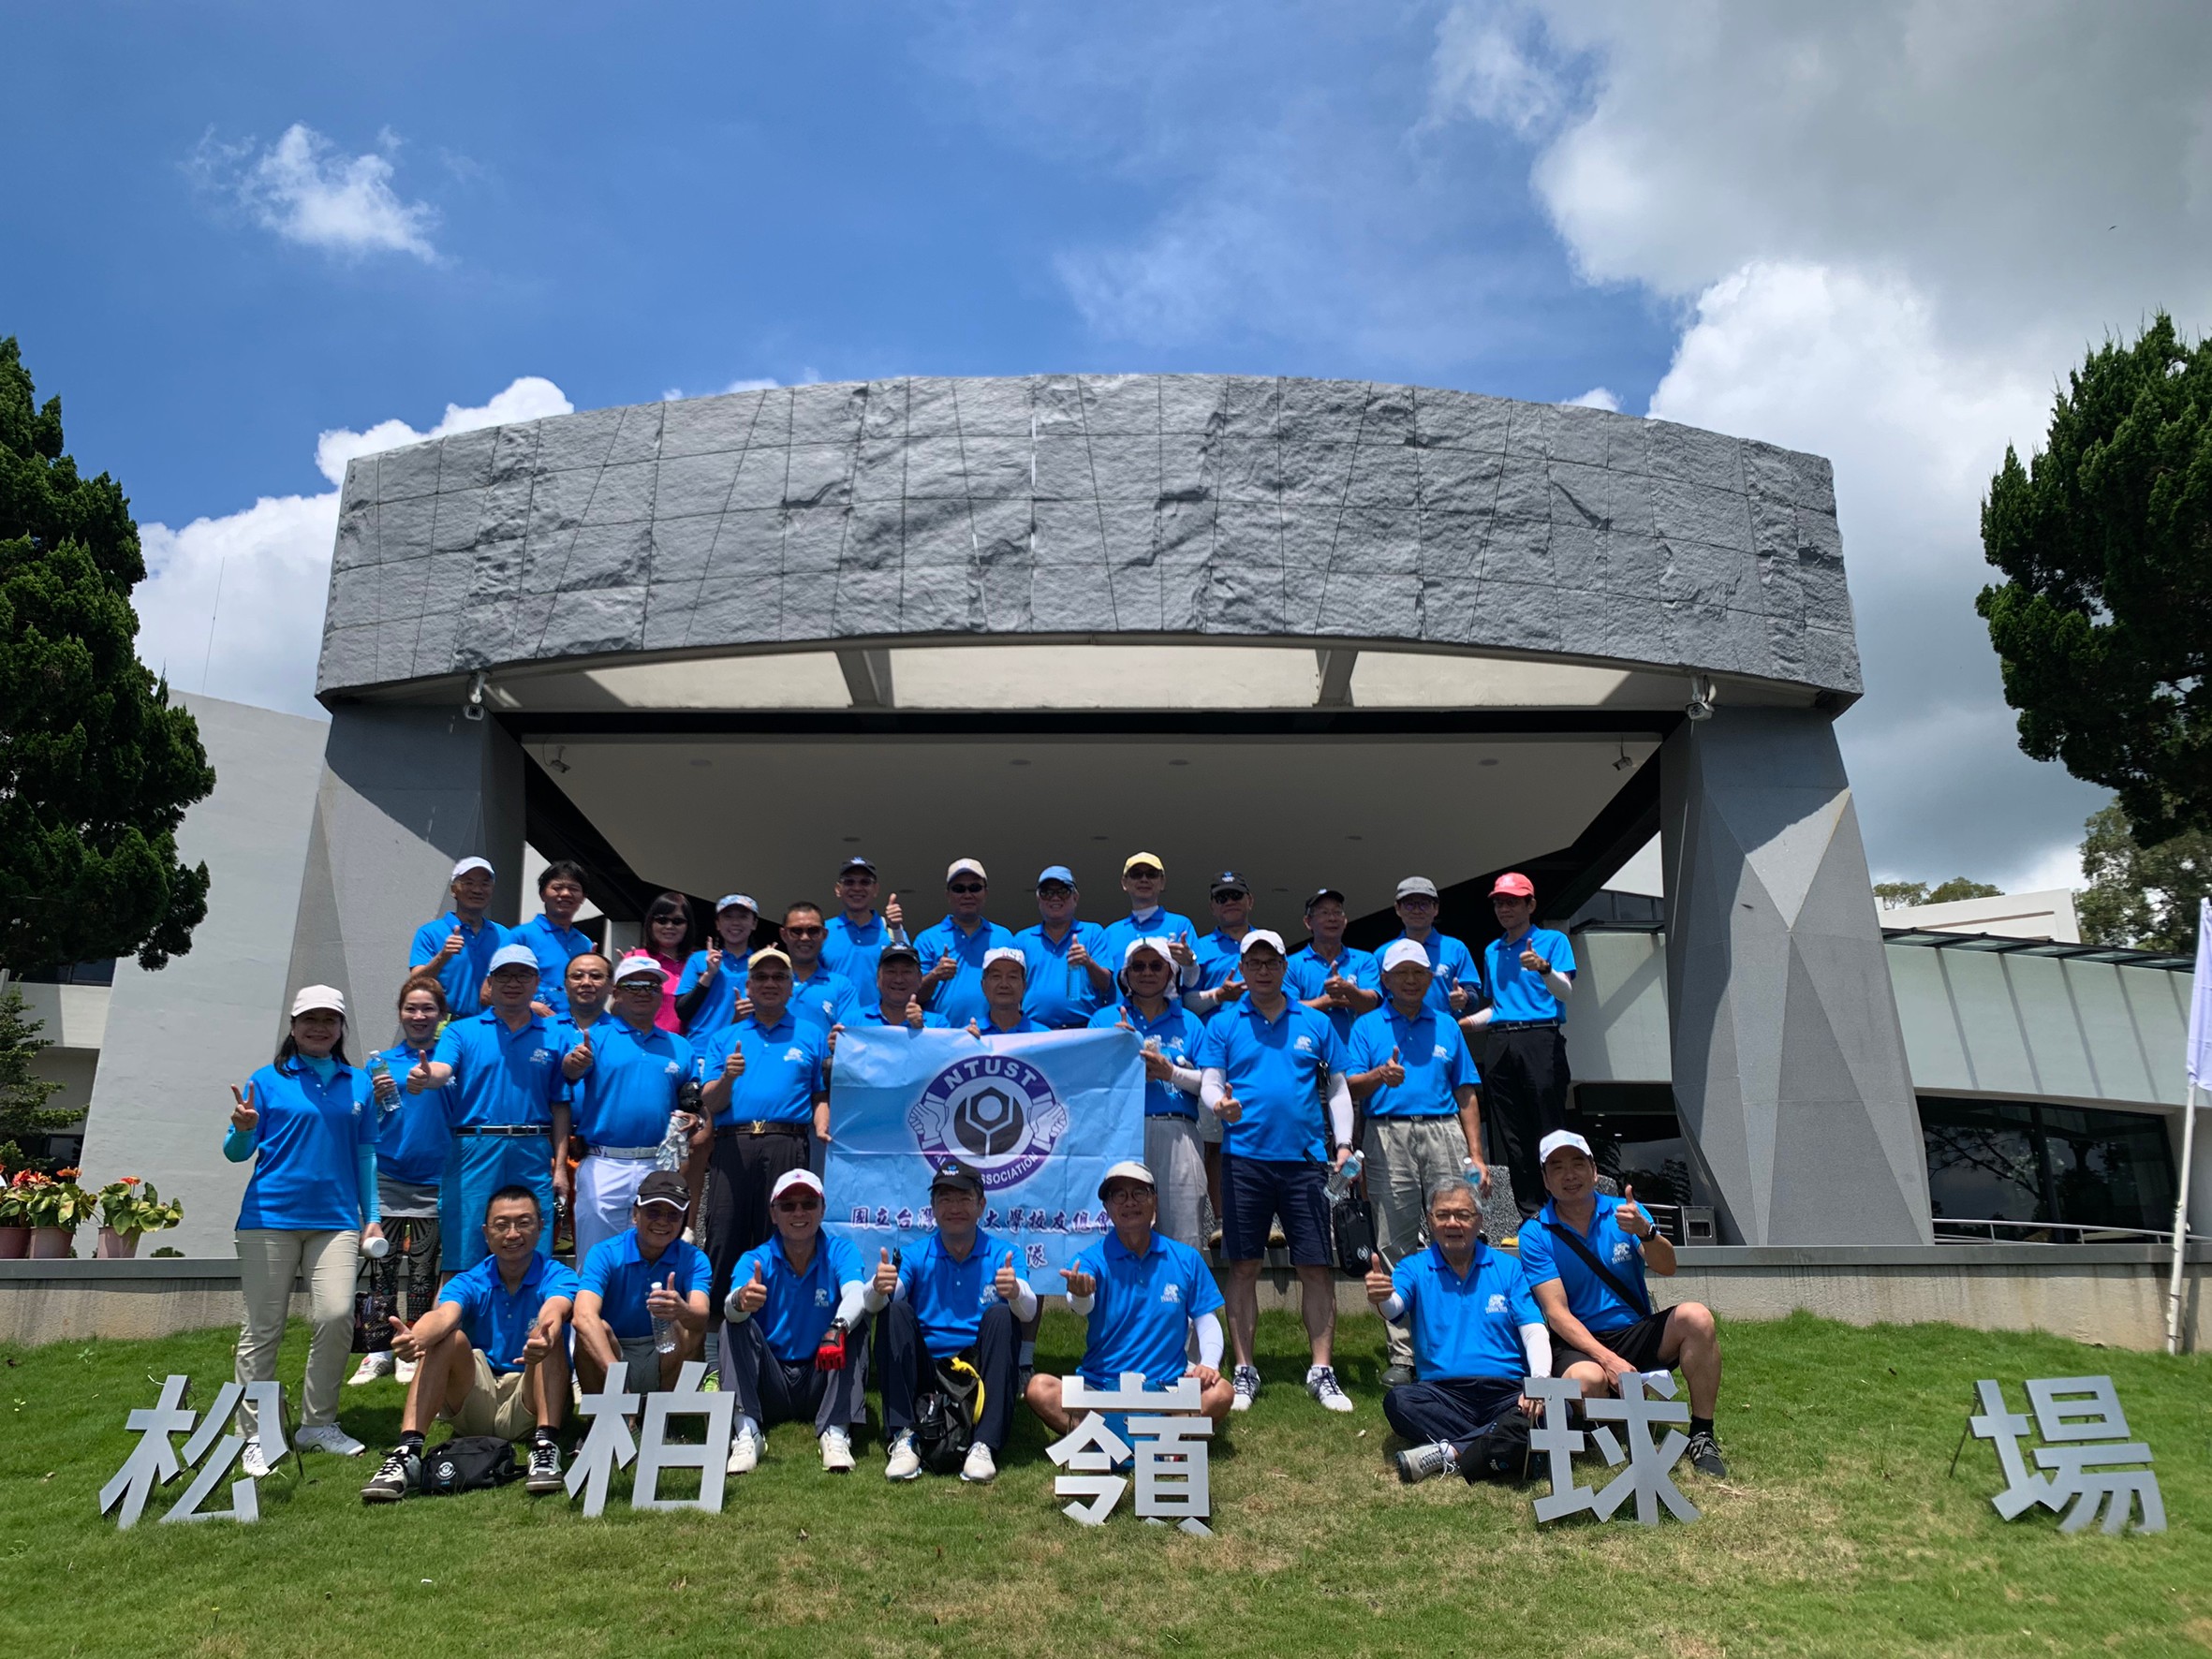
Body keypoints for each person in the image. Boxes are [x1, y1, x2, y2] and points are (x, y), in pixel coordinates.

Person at [1193, 931, 1357, 1416]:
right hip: (1244, 1160)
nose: (1263, 971)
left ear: (1285, 967)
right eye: (1254, 963)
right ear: (1241, 969)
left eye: (1271, 962)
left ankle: (1322, 1370)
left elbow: (1338, 1088)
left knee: (1315, 1266)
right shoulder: (1224, 1022)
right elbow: (1210, 1082)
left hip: (1306, 1162)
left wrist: (1343, 1144)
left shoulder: (1315, 1021)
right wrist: (1219, 1105)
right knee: (1244, 1266)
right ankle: (1245, 1368)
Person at [226, 984, 382, 1474]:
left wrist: (372, 1215)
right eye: (309, 1019)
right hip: (268, 1219)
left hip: (336, 1221)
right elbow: (235, 1153)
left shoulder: (359, 1083)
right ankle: (253, 1435)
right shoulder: (265, 1080)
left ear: (340, 1029)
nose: (319, 1027)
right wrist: (244, 1129)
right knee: (263, 1328)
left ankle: (317, 1424)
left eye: (329, 1020)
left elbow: (366, 1155)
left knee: (336, 1316)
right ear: (293, 1027)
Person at [1519, 1131, 1728, 1476]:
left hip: (1633, 1330)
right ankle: (1612, 1424)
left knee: (1697, 1317)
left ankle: (1702, 1434)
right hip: (1580, 1341)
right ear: (1545, 1179)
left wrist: (1646, 1232)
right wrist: (1608, 1360)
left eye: (1577, 1164)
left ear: (1594, 1171)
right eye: (1557, 1167)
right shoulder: (1535, 1233)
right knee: (1586, 1380)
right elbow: (1557, 1314)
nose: (1569, 1175)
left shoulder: (1626, 1213)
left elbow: (1667, 1267)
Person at [359, 1186, 577, 1502]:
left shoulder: (557, 1274)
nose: (512, 1234)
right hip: (478, 1397)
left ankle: (545, 1446)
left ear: (541, 1227)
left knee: (548, 1338)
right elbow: (444, 1315)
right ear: (486, 1232)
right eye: (502, 1225)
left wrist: (546, 1330)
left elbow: (555, 1308)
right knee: (448, 1337)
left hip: (530, 1395)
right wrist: (415, 1338)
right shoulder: (470, 1279)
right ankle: (407, 1453)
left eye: (523, 1223)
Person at [1347, 941, 1488, 1387]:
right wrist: (1379, 1076)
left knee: (1458, 1229)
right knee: (1394, 1242)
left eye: (1418, 972)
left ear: (1430, 979)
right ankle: (1404, 1354)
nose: (1410, 980)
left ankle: (1460, 1342)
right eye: (1401, 973)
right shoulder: (1367, 1026)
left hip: (1444, 1129)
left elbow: (1466, 1092)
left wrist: (1477, 1155)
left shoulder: (1447, 1025)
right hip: (1387, 1134)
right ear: (1385, 979)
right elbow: (1350, 1086)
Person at [1364, 1176, 1553, 1485]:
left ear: (1479, 1220)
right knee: (1399, 1402)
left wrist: (1539, 1383)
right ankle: (1503, 1441)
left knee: (1558, 1409)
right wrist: (1381, 1297)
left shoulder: (1509, 1268)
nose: (1453, 1223)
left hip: (1506, 1391)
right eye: (1443, 1215)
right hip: (1444, 1393)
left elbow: (1533, 1330)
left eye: (1463, 1215)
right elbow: (1394, 1307)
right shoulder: (1413, 1267)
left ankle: (1449, 1452)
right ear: (1430, 1221)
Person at [1025, 1161, 1233, 1434]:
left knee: (1222, 1392)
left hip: (1168, 1388)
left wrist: (1208, 1364)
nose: (1130, 1202)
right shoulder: (1091, 1259)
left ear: (1155, 1200)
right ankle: (1157, 1437)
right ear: (1107, 1208)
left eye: (1139, 1193)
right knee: (1039, 1389)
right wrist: (1080, 1293)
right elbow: (1082, 1304)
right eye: (1119, 1195)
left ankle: (1116, 1438)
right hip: (1102, 1388)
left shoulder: (1186, 1258)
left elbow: (1206, 1319)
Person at [870, 1159, 1035, 1484]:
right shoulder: (916, 1253)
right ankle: (903, 1437)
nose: (954, 1208)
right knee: (894, 1310)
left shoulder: (1004, 1254)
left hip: (976, 1371)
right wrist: (880, 1287)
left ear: (981, 1205)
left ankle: (984, 1444)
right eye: (945, 1199)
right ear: (932, 1208)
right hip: (928, 1368)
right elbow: (888, 1294)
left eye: (964, 1198)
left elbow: (1028, 1310)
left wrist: (1015, 1292)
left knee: (1004, 1314)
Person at [408, 944, 568, 1273]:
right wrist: (427, 1075)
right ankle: (458, 1309)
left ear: (536, 982)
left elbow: (560, 1103)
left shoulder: (556, 1033)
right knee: (464, 1251)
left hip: (532, 1147)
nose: (513, 982)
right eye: (504, 975)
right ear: (490, 983)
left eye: (523, 975)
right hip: (474, 1146)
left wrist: (561, 1167)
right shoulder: (462, 1030)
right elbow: (442, 1069)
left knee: (534, 1253)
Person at [693, 947, 829, 1332]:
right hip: (733, 1145)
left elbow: (820, 1095)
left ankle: (778, 1332)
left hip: (788, 1144)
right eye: (762, 977)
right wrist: (729, 1077)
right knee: (723, 1235)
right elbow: (711, 1102)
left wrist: (822, 1128)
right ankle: (716, 1340)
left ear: (791, 986)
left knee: (786, 1235)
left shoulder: (811, 1034)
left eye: (779, 977)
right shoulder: (725, 1038)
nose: (770, 984)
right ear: (748, 985)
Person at [722, 1169, 872, 1474]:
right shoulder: (755, 1258)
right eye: (788, 1205)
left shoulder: (841, 1251)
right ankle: (746, 1433)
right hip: (771, 1380)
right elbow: (730, 1307)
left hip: (821, 1373)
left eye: (809, 1204)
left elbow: (856, 1294)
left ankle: (836, 1432)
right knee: (733, 1324)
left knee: (854, 1324)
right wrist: (741, 1301)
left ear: (823, 1209)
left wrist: (838, 1326)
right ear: (773, 1214)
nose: (799, 1212)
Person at [554, 952, 696, 1261]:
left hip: (658, 1165)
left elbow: (693, 1102)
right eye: (633, 986)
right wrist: (574, 1064)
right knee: (595, 1259)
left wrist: (693, 1117)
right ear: (616, 993)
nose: (643, 993)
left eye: (652, 987)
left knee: (654, 1258)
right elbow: (569, 1075)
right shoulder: (593, 1039)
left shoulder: (680, 1046)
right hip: (604, 1162)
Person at [350, 979, 455, 1387]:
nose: (419, 1016)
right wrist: (376, 1099)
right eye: (411, 1008)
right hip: (388, 1178)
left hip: (436, 1179)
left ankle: (412, 1344)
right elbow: (362, 1122)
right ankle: (378, 1349)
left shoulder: (451, 1062)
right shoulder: (381, 1064)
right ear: (400, 1013)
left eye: (428, 1008)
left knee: (424, 1271)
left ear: (441, 1015)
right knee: (383, 1267)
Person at [1461, 873, 1577, 1220]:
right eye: (1499, 902)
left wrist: (1544, 968)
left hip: (1540, 1038)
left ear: (1531, 904)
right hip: (1500, 1041)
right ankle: (1531, 1216)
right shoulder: (1492, 950)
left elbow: (1565, 991)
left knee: (1550, 1128)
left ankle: (1562, 1213)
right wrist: (1464, 1024)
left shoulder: (1553, 941)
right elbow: (1498, 1009)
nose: (1504, 909)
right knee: (1512, 1134)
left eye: (1512, 902)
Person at [1087, 939, 1207, 1248]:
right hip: (1121, 1132)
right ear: (1126, 975)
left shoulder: (1190, 1023)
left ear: (1171, 972)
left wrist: (1171, 1073)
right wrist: (1116, 1051)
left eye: (1156, 966)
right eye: (1138, 966)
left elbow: (1209, 1086)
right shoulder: (1104, 1020)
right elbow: (1087, 1081)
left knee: (1183, 1234)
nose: (1147, 973)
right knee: (1122, 1231)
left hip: (1177, 1130)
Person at [571, 1171, 712, 1394]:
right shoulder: (604, 1253)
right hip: (615, 1351)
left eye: (673, 1215)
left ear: (683, 1220)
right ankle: (607, 1410)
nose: (663, 1221)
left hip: (664, 1352)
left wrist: (681, 1310)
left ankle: (667, 1409)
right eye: (653, 1211)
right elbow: (582, 1316)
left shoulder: (695, 1259)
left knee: (689, 1328)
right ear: (635, 1214)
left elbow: (701, 1316)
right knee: (592, 1330)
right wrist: (617, 1379)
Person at [916, 859, 1018, 1028]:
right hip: (943, 1035)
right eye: (959, 889)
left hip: (995, 1036)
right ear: (948, 894)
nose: (967, 895)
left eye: (975, 888)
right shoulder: (927, 939)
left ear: (985, 892)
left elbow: (1018, 990)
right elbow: (912, 996)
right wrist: (935, 975)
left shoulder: (1004, 937)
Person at [406, 856, 512, 1015]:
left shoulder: (503, 935)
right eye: (468, 883)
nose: (477, 890)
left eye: (485, 884)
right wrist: (442, 956)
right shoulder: (430, 933)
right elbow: (415, 985)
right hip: (444, 1025)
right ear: (453, 890)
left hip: (492, 1025)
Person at [1014, 865, 1113, 1028]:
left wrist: (1088, 963)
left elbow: (1105, 984)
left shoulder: (1093, 933)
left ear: (1075, 897)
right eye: (1047, 892)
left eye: (1063, 891)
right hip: (1033, 1031)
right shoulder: (1022, 939)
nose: (1055, 898)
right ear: (1038, 899)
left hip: (1082, 1030)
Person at [1097, 852, 1201, 1003]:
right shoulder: (1111, 932)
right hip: (1120, 1015)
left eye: (1151, 874)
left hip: (1168, 1015)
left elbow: (1191, 983)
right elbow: (1102, 985)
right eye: (1136, 874)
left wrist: (1189, 963)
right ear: (1124, 883)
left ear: (1162, 882)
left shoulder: (1181, 925)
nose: (1144, 879)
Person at [1286, 887, 1381, 1044]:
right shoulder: (1291, 964)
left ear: (1345, 921)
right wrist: (1329, 1001)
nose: (1332, 918)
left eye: (1337, 912)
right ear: (1308, 922)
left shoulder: (1364, 959)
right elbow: (1287, 1010)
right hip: (1309, 1050)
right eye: (1324, 913)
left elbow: (1371, 1004)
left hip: (1354, 1052)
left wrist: (1347, 989)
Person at [511, 859, 594, 1020]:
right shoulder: (521, 936)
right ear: (543, 894)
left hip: (573, 1029)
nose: (565, 893)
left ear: (583, 897)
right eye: (557, 888)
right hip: (530, 1027)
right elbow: (489, 991)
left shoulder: (585, 943)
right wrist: (530, 1005)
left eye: (573, 889)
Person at [1387, 876, 1479, 1020]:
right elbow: (1375, 1001)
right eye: (1409, 905)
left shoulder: (1456, 948)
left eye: (1424, 904)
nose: (1417, 910)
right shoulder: (1384, 953)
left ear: (1436, 908)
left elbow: (1473, 997)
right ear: (1398, 909)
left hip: (1444, 1029)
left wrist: (1465, 998)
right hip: (1398, 1031)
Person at [674, 892, 759, 1039]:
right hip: (701, 1047)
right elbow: (682, 1012)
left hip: (746, 1046)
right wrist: (708, 975)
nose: (735, 922)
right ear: (718, 924)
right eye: (728, 917)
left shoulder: (762, 963)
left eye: (743, 917)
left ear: (754, 923)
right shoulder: (699, 959)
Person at [780, 901, 865, 1036]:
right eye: (796, 931)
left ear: (824, 935)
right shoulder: (767, 981)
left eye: (813, 931)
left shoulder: (842, 987)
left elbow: (851, 1037)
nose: (805, 938)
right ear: (784, 934)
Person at [822, 856, 906, 990]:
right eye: (849, 882)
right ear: (838, 889)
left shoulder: (890, 930)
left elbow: (907, 974)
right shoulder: (822, 931)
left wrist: (896, 928)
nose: (857, 888)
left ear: (876, 889)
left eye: (865, 882)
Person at [1185, 870, 1258, 1017]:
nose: (1229, 902)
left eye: (1236, 895)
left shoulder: (1268, 943)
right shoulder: (1198, 948)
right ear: (1212, 907)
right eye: (1221, 898)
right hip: (1215, 1031)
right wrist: (1219, 995)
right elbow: (1187, 1004)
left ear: (1250, 901)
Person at [858, 942, 949, 1028]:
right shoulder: (853, 1023)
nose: (898, 980)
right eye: (891, 971)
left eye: (906, 972)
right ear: (878, 978)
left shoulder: (938, 1024)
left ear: (919, 978)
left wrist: (921, 1028)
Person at [641, 892, 695, 1032]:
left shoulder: (698, 963)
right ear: (651, 923)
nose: (669, 926)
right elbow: (618, 1009)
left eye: (677, 921)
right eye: (662, 920)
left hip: (691, 1043)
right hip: (646, 1042)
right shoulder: (637, 959)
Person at [968, 947, 1050, 1036]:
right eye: (996, 976)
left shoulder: (1045, 1037)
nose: (1004, 984)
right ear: (983, 985)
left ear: (1024, 986)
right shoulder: (969, 1037)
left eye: (1012, 977)